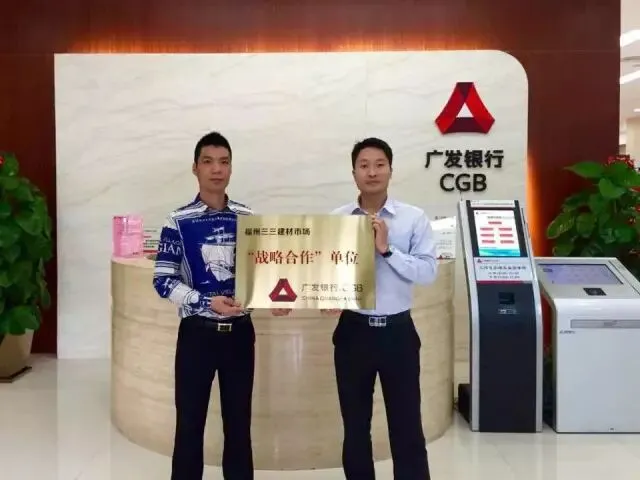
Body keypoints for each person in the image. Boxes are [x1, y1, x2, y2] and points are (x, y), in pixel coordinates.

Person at [153, 131, 282, 480]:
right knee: (189, 424)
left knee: (239, 425)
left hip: (240, 335)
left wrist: (276, 297)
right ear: (195, 168)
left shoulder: (249, 218)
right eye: (208, 162)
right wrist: (205, 301)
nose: (216, 169)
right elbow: (163, 280)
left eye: (224, 162)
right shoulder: (177, 221)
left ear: (231, 168)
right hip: (197, 334)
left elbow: (264, 273)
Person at [327, 137, 438, 480]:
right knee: (355, 426)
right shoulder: (337, 219)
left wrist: (387, 250)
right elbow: (325, 272)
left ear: (391, 170)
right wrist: (326, 297)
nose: (372, 172)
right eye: (364, 165)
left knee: (406, 425)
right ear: (354, 173)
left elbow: (428, 272)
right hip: (353, 332)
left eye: (379, 165)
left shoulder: (413, 218)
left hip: (397, 334)